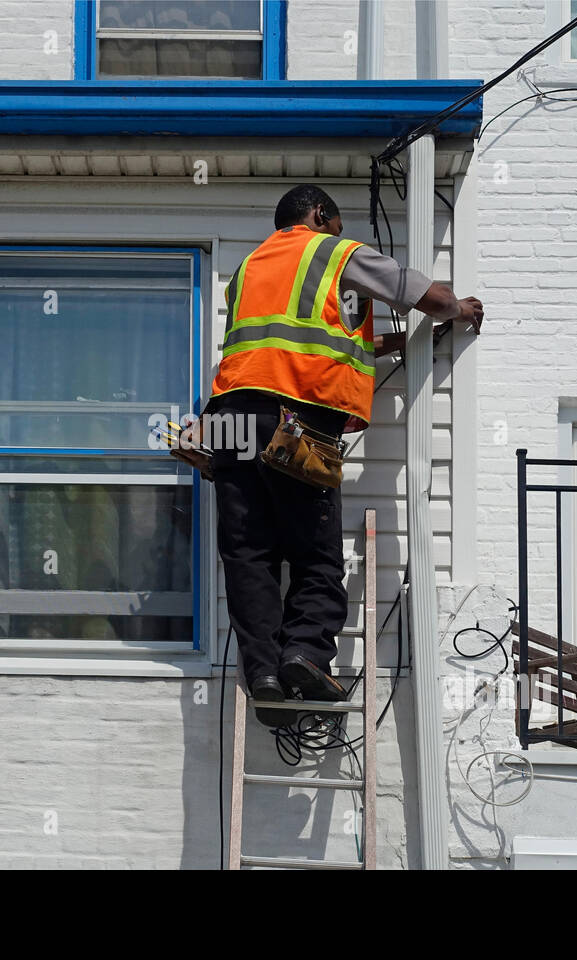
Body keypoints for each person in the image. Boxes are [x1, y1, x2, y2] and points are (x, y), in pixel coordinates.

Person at [208, 184, 484, 726]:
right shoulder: (332, 251)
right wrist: (457, 307)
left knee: (249, 556)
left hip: (230, 419)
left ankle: (264, 673)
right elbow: (414, 289)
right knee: (315, 555)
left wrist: (391, 346)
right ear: (319, 215)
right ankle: (305, 653)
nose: (338, 232)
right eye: (334, 223)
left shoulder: (247, 269)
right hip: (296, 419)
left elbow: (305, 340)